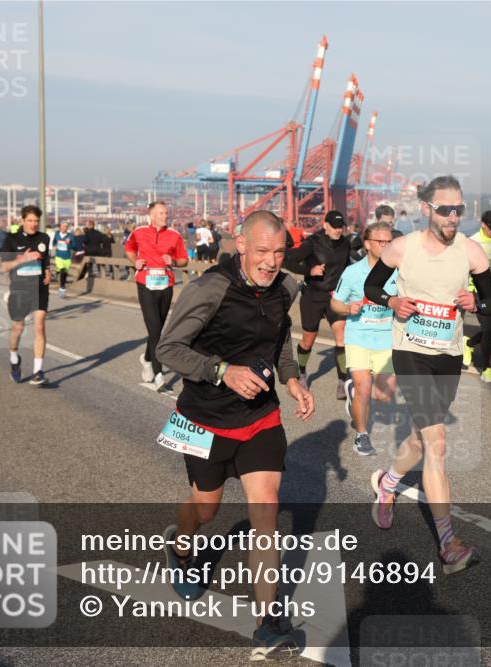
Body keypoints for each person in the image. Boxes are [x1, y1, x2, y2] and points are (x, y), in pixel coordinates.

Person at [155, 210, 314, 661]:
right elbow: (167, 349)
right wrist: (222, 371)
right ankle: (180, 547)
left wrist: (293, 380)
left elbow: (282, 340)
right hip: (206, 418)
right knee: (205, 510)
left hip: (261, 417)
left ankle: (267, 622)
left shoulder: (286, 287)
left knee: (266, 513)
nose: (270, 261)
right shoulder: (209, 287)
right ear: (240, 245)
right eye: (262, 251)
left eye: (279, 252)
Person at [364, 175, 491, 574]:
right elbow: (373, 287)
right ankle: (448, 544)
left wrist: (477, 301)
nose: (453, 217)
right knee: (437, 441)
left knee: (419, 440)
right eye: (445, 210)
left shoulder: (472, 253)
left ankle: (388, 483)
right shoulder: (402, 249)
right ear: (427, 210)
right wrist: (392, 301)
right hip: (410, 352)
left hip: (448, 354)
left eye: (459, 209)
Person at [331, 221, 398, 455]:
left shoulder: (399, 272)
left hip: (386, 339)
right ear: (368, 244)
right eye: (382, 242)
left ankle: (352, 393)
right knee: (364, 388)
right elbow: (335, 302)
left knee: (384, 396)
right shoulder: (352, 272)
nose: (387, 245)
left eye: (390, 241)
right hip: (358, 336)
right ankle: (362, 435)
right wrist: (348, 309)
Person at [284, 210, 353, 398]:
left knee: (341, 337)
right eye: (335, 226)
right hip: (313, 296)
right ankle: (303, 372)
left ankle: (342, 381)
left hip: (335, 297)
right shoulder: (312, 243)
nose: (338, 230)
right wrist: (309, 270)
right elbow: (287, 260)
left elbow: (349, 265)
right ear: (325, 225)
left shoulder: (345, 243)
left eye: (341, 226)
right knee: (308, 340)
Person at [125, 201, 189, 390]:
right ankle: (158, 375)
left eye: (166, 213)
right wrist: (135, 261)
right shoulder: (138, 232)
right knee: (155, 331)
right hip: (145, 282)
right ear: (151, 215)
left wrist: (174, 261)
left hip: (165, 284)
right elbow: (129, 249)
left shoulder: (174, 235)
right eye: (161, 213)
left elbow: (184, 260)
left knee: (158, 330)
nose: (165, 216)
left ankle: (146, 359)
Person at [0, 205, 52, 386]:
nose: (33, 224)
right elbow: (4, 267)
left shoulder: (44, 238)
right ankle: (14, 359)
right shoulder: (11, 240)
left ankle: (38, 371)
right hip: (19, 289)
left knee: (39, 326)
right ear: (22, 221)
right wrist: (23, 259)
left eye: (36, 221)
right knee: (18, 329)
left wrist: (47, 270)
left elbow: (45, 260)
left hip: (39, 288)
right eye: (29, 220)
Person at [463, 210, 491, 383]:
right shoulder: (473, 241)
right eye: (490, 227)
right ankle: (486, 369)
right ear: (483, 224)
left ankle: (468, 344)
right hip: (475, 289)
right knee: (488, 328)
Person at [51, 222, 80, 298]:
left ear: (67, 228)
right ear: (60, 227)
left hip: (67, 257)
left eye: (65, 227)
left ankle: (62, 286)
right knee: (62, 270)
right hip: (59, 256)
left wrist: (69, 243)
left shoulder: (70, 236)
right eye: (62, 226)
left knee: (65, 273)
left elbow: (75, 247)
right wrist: (54, 246)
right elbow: (54, 242)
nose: (63, 228)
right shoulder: (57, 234)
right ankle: (62, 288)